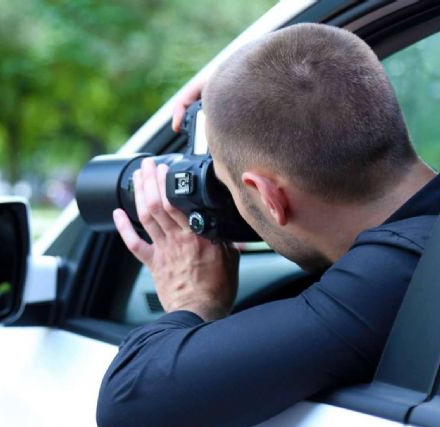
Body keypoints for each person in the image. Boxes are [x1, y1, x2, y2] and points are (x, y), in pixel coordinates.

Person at [96, 23, 438, 426]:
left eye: (226, 186)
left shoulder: (395, 279)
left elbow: (129, 405)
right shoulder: (417, 247)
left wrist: (193, 301)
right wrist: (249, 87)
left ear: (268, 196)